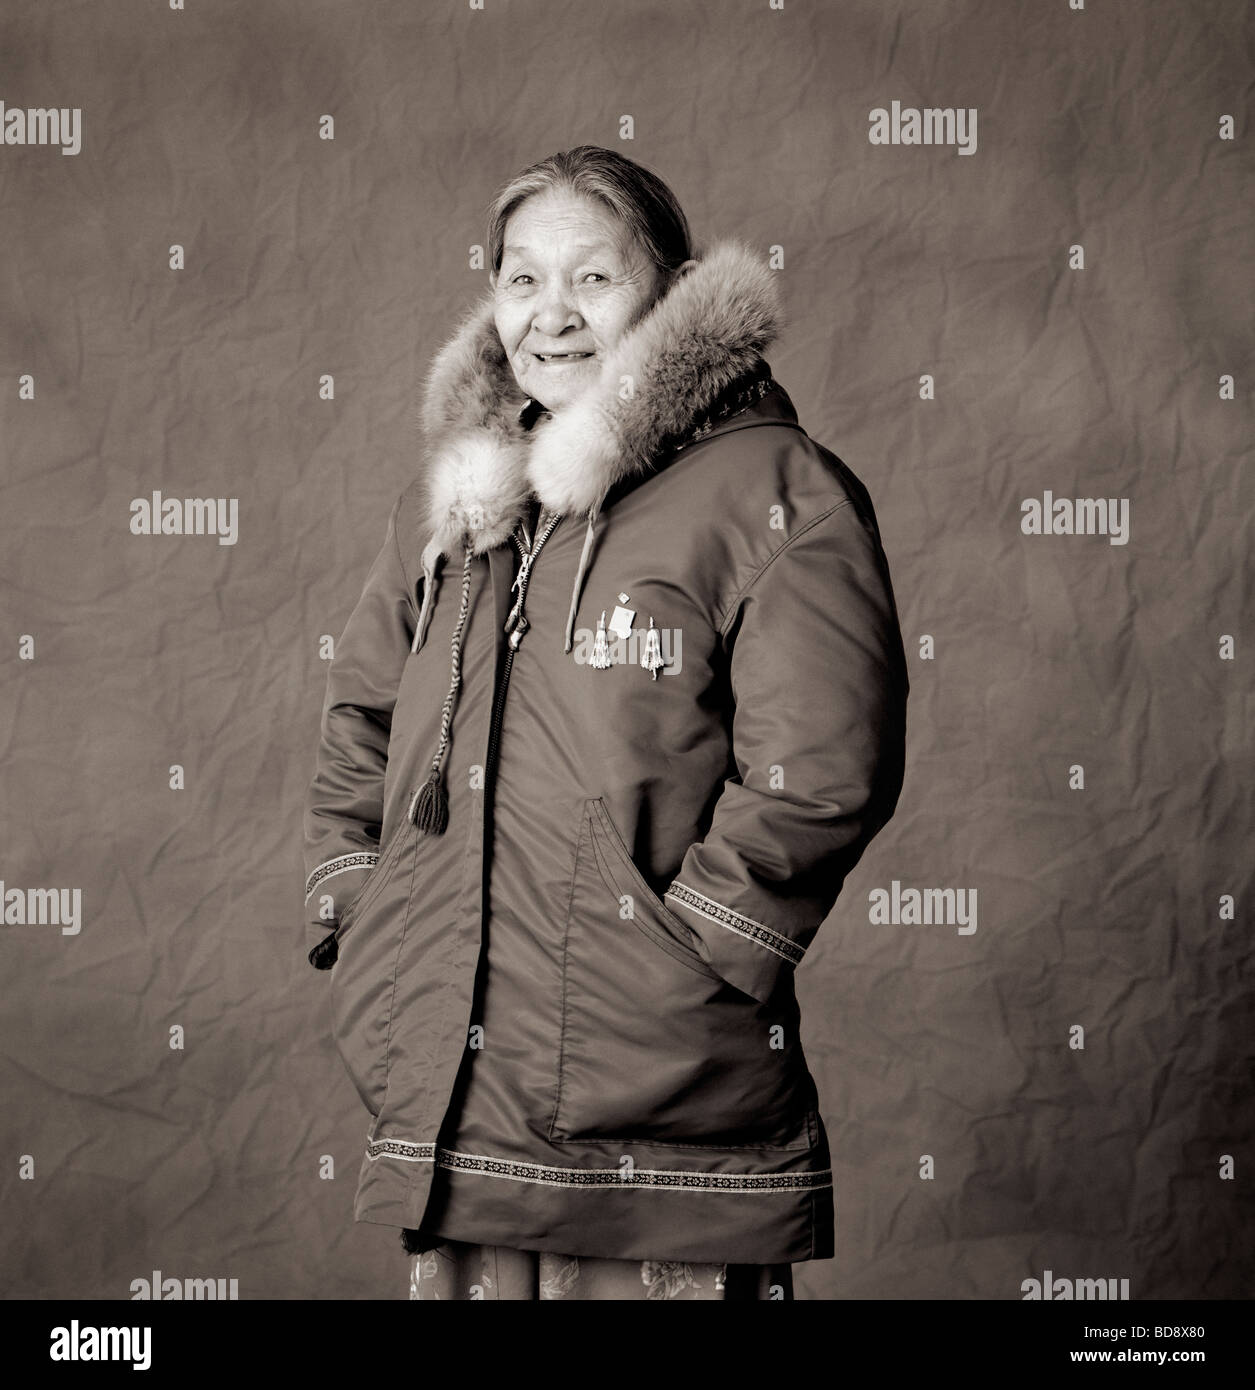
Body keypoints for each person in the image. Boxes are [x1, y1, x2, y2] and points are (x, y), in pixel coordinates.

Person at [301, 145, 909, 1300]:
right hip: (456, 1100)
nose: (552, 314)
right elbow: (365, 714)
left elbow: (824, 768)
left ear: (671, 290)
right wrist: (358, 907)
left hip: (661, 1118)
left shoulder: (774, 490)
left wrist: (691, 958)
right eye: (521, 279)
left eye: (593, 276)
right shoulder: (460, 502)